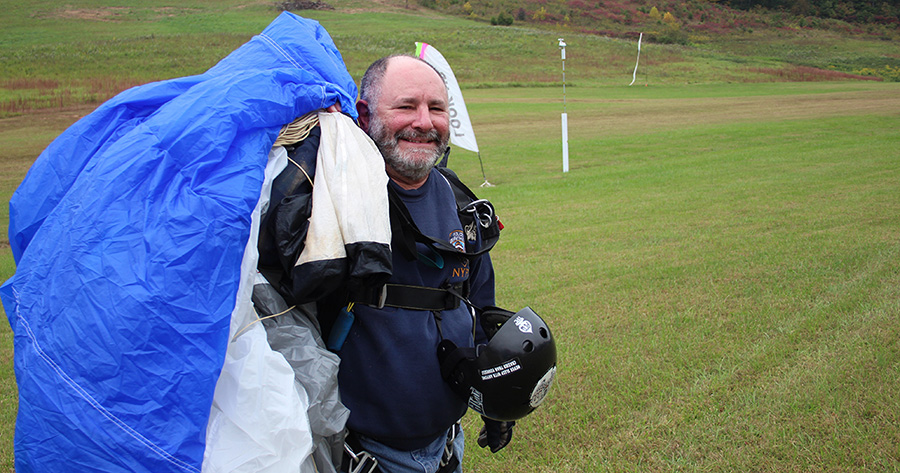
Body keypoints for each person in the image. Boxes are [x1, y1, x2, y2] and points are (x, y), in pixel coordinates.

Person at [332, 55, 513, 473]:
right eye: (405, 106)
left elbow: (480, 311)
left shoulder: (461, 204)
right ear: (364, 114)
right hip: (364, 457)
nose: (425, 121)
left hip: (449, 446)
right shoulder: (331, 206)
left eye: (436, 108)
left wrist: (493, 394)